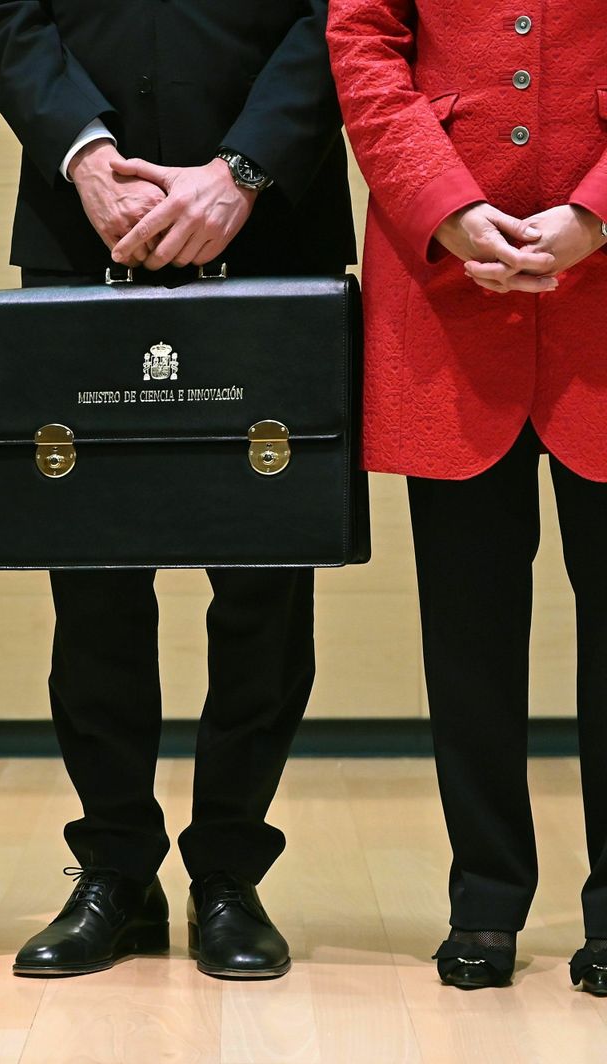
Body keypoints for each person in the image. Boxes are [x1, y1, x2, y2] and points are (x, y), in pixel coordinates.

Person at [0, 0, 355, 979]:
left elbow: (339, 12)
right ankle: (114, 868)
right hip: (82, 217)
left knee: (265, 586)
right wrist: (85, 155)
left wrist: (243, 170)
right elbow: (2, 8)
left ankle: (229, 870)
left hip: (273, 220)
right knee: (91, 581)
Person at [329, 1, 607, 993]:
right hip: (448, 277)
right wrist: (440, 203)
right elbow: (363, 39)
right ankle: (484, 898)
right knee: (467, 624)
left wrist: (595, 211)